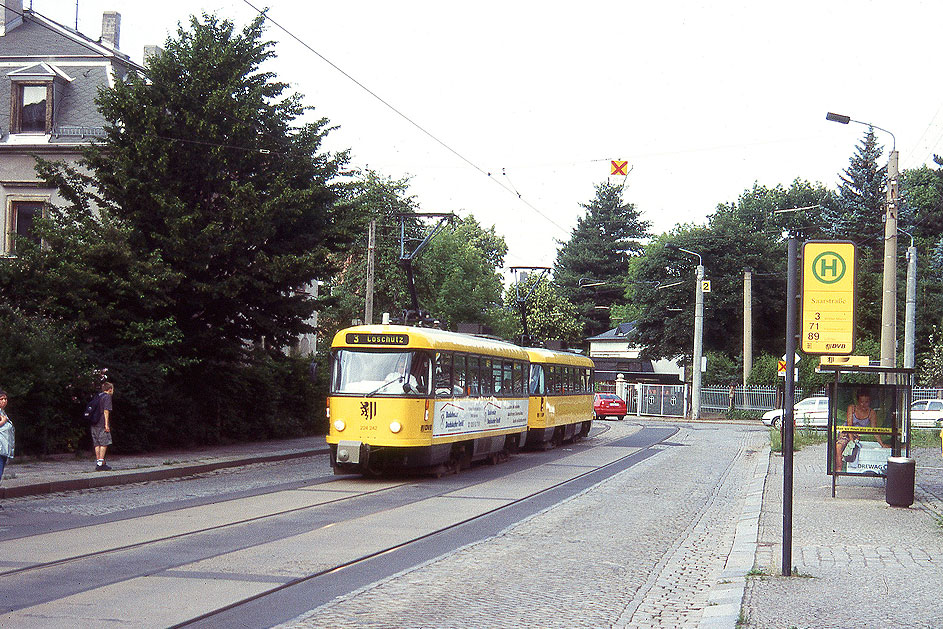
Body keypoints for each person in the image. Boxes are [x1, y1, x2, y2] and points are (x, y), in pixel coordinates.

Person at [835, 389, 888, 470]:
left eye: (866, 402)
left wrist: (882, 444)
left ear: (870, 401)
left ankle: (850, 468)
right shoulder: (852, 408)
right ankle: (838, 470)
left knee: (854, 449)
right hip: (845, 433)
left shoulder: (872, 413)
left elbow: (874, 430)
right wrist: (851, 441)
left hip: (856, 435)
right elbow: (849, 425)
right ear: (858, 401)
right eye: (861, 402)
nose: (864, 404)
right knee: (839, 446)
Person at [90, 381, 115, 472]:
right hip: (101, 423)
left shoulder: (98, 396)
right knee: (104, 443)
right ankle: (100, 464)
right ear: (110, 389)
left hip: (94, 422)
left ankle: (99, 462)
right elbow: (106, 411)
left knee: (97, 443)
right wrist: (106, 424)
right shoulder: (107, 397)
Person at [0, 390, 14, 509]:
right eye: (1, 399)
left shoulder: (3, 412)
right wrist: (2, 422)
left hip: (3, 450)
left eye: (5, 399)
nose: (4, 401)